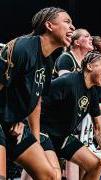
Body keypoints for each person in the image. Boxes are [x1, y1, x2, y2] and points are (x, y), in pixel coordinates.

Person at [0, 7, 75, 179]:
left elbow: (36, 101)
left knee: (49, 175)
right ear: (49, 25)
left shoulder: (48, 62)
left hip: (14, 125)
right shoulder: (22, 48)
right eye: (67, 22)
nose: (72, 27)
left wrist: (35, 140)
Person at [39, 51, 101, 180]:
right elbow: (37, 101)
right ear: (89, 66)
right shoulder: (67, 82)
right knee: (54, 175)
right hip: (44, 133)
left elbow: (98, 127)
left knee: (96, 165)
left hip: (63, 137)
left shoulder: (93, 92)